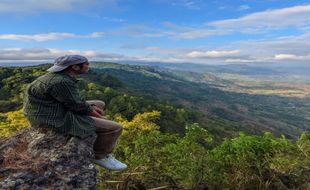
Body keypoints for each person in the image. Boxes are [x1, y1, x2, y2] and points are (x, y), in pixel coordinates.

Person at [23, 55, 127, 170]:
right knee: (116, 128)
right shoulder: (61, 82)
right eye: (86, 63)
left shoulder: (55, 77)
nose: (89, 66)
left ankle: (97, 131)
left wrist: (91, 108)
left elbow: (74, 101)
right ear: (75, 67)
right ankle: (100, 156)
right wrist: (102, 119)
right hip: (53, 118)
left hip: (49, 109)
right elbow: (78, 106)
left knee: (99, 103)